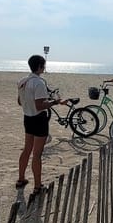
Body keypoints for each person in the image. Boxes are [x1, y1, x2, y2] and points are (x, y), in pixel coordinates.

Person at [17, 55, 66, 192]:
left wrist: (31, 104)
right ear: (39, 66)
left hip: (27, 118)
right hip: (38, 119)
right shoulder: (39, 82)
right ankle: (38, 186)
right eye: (43, 65)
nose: (44, 68)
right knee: (37, 154)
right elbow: (40, 105)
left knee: (27, 149)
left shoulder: (22, 81)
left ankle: (21, 179)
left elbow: (20, 101)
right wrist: (55, 102)